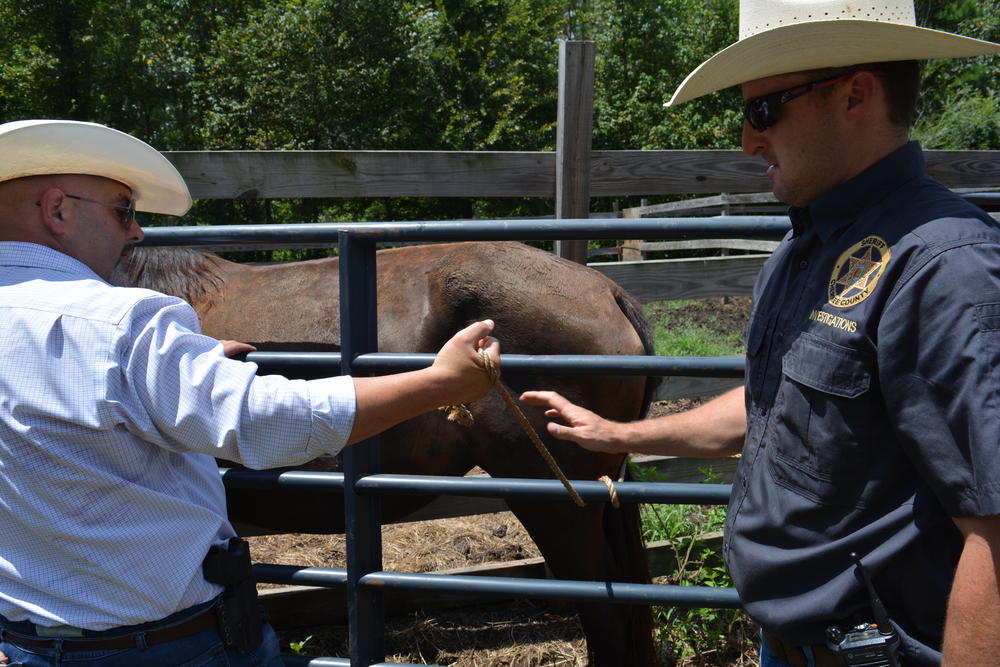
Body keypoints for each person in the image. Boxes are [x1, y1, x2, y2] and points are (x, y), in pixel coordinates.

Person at [522, 2, 1000, 665]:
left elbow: (995, 531)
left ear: (855, 94)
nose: (748, 140)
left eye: (765, 110)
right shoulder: (802, 250)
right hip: (788, 643)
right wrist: (620, 436)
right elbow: (772, 404)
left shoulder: (947, 266)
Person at [0, 119, 500, 666]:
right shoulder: (123, 322)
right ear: (57, 209)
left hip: (28, 643)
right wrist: (441, 382)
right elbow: (266, 423)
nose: (136, 232)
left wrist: (173, 374)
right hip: (171, 644)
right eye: (123, 210)